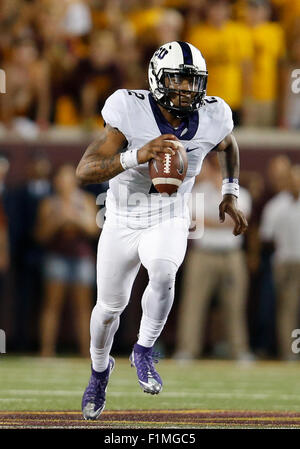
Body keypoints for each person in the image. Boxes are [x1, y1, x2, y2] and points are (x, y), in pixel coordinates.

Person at [76, 40, 248, 420]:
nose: (187, 90)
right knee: (108, 310)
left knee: (164, 271)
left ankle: (143, 350)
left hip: (169, 213)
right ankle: (100, 372)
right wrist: (138, 154)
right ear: (157, 78)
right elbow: (85, 170)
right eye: (178, 81)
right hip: (121, 217)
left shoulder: (214, 114)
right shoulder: (129, 108)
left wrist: (229, 192)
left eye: (193, 82)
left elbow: (228, 144)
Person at [174, 156, 253, 361]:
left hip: (231, 255)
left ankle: (239, 350)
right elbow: (192, 223)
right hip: (203, 254)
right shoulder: (196, 192)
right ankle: (187, 350)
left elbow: (239, 222)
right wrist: (223, 221)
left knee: (235, 305)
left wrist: (209, 220)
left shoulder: (241, 194)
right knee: (194, 304)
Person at [35, 164, 99, 357]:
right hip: (57, 257)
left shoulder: (86, 201)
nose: (66, 182)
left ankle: (86, 352)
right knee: (52, 305)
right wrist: (58, 220)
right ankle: (46, 351)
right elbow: (41, 236)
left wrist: (75, 218)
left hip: (81, 257)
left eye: (69, 177)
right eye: (62, 177)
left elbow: (93, 230)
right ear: (56, 181)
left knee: (83, 307)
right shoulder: (48, 203)